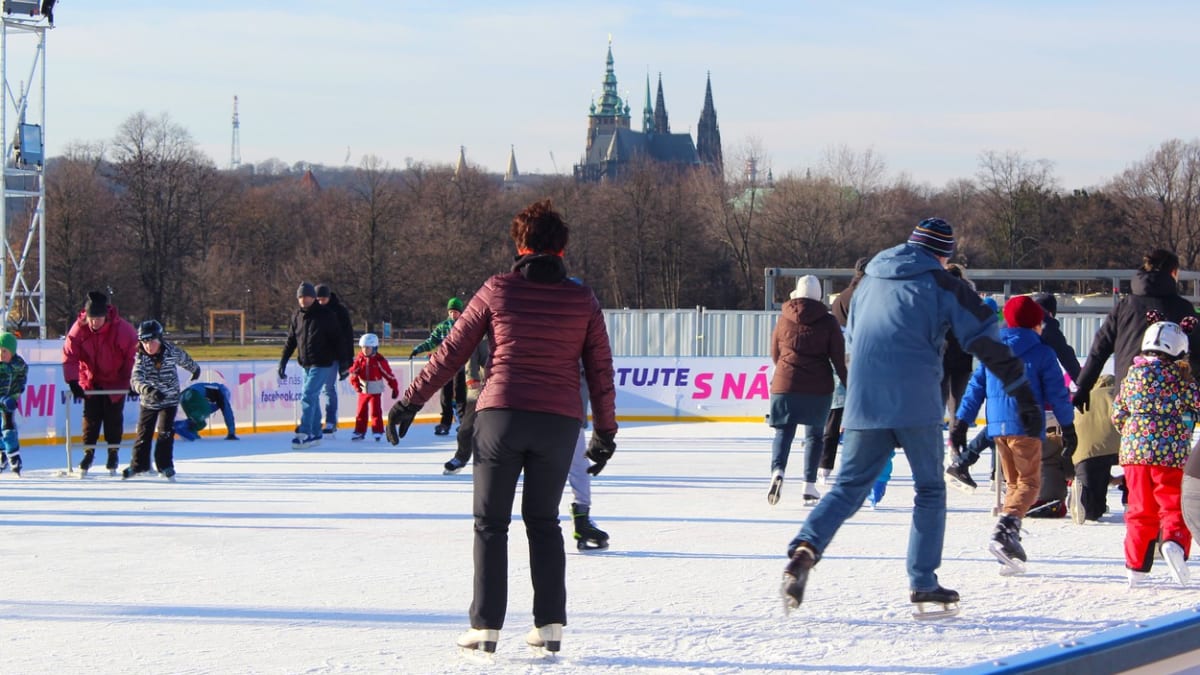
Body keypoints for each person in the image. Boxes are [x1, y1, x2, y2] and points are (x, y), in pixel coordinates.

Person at [385, 198, 616, 655]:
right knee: (544, 522)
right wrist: (605, 432)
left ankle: (485, 626)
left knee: (491, 523)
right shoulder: (582, 299)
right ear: (561, 249)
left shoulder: (497, 289)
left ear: (521, 245)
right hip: (557, 421)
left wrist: (410, 402)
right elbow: (601, 371)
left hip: (502, 416)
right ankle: (549, 625)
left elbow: (450, 351)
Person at [780, 218, 1042, 619]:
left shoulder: (869, 278)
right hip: (915, 397)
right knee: (930, 491)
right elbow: (986, 338)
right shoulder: (941, 283)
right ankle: (923, 582)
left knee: (848, 487)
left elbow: (842, 311)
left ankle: (805, 549)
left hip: (863, 397)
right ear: (943, 255)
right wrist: (1022, 391)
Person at [951, 296, 1075, 574]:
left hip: (998, 429)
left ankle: (1008, 544)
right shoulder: (1042, 352)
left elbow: (975, 388)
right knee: (1030, 485)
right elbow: (1057, 393)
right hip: (1026, 426)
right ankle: (1004, 531)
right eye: (1040, 322)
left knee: (1014, 484)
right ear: (1033, 324)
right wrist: (1068, 427)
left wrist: (961, 422)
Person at [1112, 316, 1200, 587]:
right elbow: (1195, 407)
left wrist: (1133, 433)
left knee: (1139, 509)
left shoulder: (1131, 376)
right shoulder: (1181, 378)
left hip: (1134, 454)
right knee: (1173, 504)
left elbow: (1118, 414)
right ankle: (1173, 541)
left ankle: (1135, 567)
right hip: (1170, 452)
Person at [1075, 249, 1200, 411]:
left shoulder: (1125, 306)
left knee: (1131, 435)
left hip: (1129, 395)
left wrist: (1084, 386)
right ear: (1174, 273)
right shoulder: (1182, 308)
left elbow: (1100, 347)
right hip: (1170, 398)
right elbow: (1197, 352)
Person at [767, 274, 846, 506]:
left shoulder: (783, 319)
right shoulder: (829, 322)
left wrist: (785, 371)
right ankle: (808, 486)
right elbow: (838, 360)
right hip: (818, 387)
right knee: (813, 436)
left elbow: (775, 354)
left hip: (785, 383)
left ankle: (778, 471)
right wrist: (850, 385)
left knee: (783, 432)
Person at [61, 290, 138, 477]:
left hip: (116, 380)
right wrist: (72, 381)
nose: (94, 322)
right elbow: (69, 356)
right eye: (91, 318)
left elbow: (133, 356)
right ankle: (88, 453)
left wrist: (132, 381)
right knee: (90, 419)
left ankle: (113, 453)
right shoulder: (79, 329)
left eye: (98, 318)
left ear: (106, 316)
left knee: (113, 419)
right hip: (91, 380)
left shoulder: (122, 330)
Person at [124, 320, 200, 481]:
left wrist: (195, 369)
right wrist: (148, 390)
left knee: (165, 433)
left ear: (159, 340)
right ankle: (139, 465)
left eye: (151, 341)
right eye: (144, 342)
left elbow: (184, 358)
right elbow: (135, 379)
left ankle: (165, 465)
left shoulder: (171, 351)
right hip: (149, 401)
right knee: (144, 433)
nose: (148, 346)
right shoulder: (141, 357)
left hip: (170, 399)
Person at [279, 282, 341, 449]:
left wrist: (343, 363)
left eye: (306, 296)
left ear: (313, 298)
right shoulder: (297, 316)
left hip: (323, 363)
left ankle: (304, 432)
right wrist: (283, 362)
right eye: (300, 297)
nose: (303, 300)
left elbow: (337, 340)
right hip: (306, 363)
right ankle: (316, 433)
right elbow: (291, 341)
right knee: (311, 397)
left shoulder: (326, 315)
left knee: (308, 395)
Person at [411, 297, 468, 436]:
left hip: (461, 365)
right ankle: (445, 423)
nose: (453, 315)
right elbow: (432, 341)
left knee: (460, 395)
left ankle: (464, 423)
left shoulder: (466, 326)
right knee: (445, 396)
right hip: (446, 366)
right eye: (451, 312)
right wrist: (418, 349)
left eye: (455, 312)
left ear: (461, 312)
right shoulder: (443, 327)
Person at [1068, 374, 1120, 524]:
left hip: (1087, 449)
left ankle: (1085, 499)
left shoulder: (1086, 396)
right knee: (1134, 470)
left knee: (1095, 481)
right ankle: (1129, 500)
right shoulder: (1120, 393)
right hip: (1121, 445)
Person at [442, 335, 490, 474]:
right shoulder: (480, 337)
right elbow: (471, 358)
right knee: (465, 430)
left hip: (507, 392)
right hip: (480, 390)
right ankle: (460, 458)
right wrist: (472, 378)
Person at [315, 284, 354, 434]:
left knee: (328, 388)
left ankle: (331, 421)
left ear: (329, 297)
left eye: (323, 299)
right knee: (314, 390)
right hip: (317, 356)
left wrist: (347, 360)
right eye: (318, 299)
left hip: (334, 357)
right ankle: (315, 420)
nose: (320, 302)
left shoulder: (339, 311)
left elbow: (347, 336)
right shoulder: (314, 311)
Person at [347, 333, 398, 441]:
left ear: (374, 348)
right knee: (361, 411)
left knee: (376, 411)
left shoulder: (379, 360)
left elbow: (388, 374)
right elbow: (353, 373)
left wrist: (394, 387)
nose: (365, 350)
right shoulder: (360, 359)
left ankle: (377, 430)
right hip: (363, 390)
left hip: (375, 390)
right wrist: (356, 384)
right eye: (363, 348)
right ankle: (359, 431)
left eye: (368, 348)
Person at [0, 332, 28, 476]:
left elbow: (22, 376)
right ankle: (2, 454)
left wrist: (17, 392)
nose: (1, 354)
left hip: (8, 402)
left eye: (4, 351)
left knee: (8, 427)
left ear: (12, 352)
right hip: (2, 400)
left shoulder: (19, 364)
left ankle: (13, 456)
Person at [173, 382, 239, 442]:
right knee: (199, 417)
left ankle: (190, 432)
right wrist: (231, 432)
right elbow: (227, 412)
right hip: (193, 393)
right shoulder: (221, 392)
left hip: (184, 397)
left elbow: (206, 409)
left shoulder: (209, 388)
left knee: (200, 423)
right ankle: (180, 425)